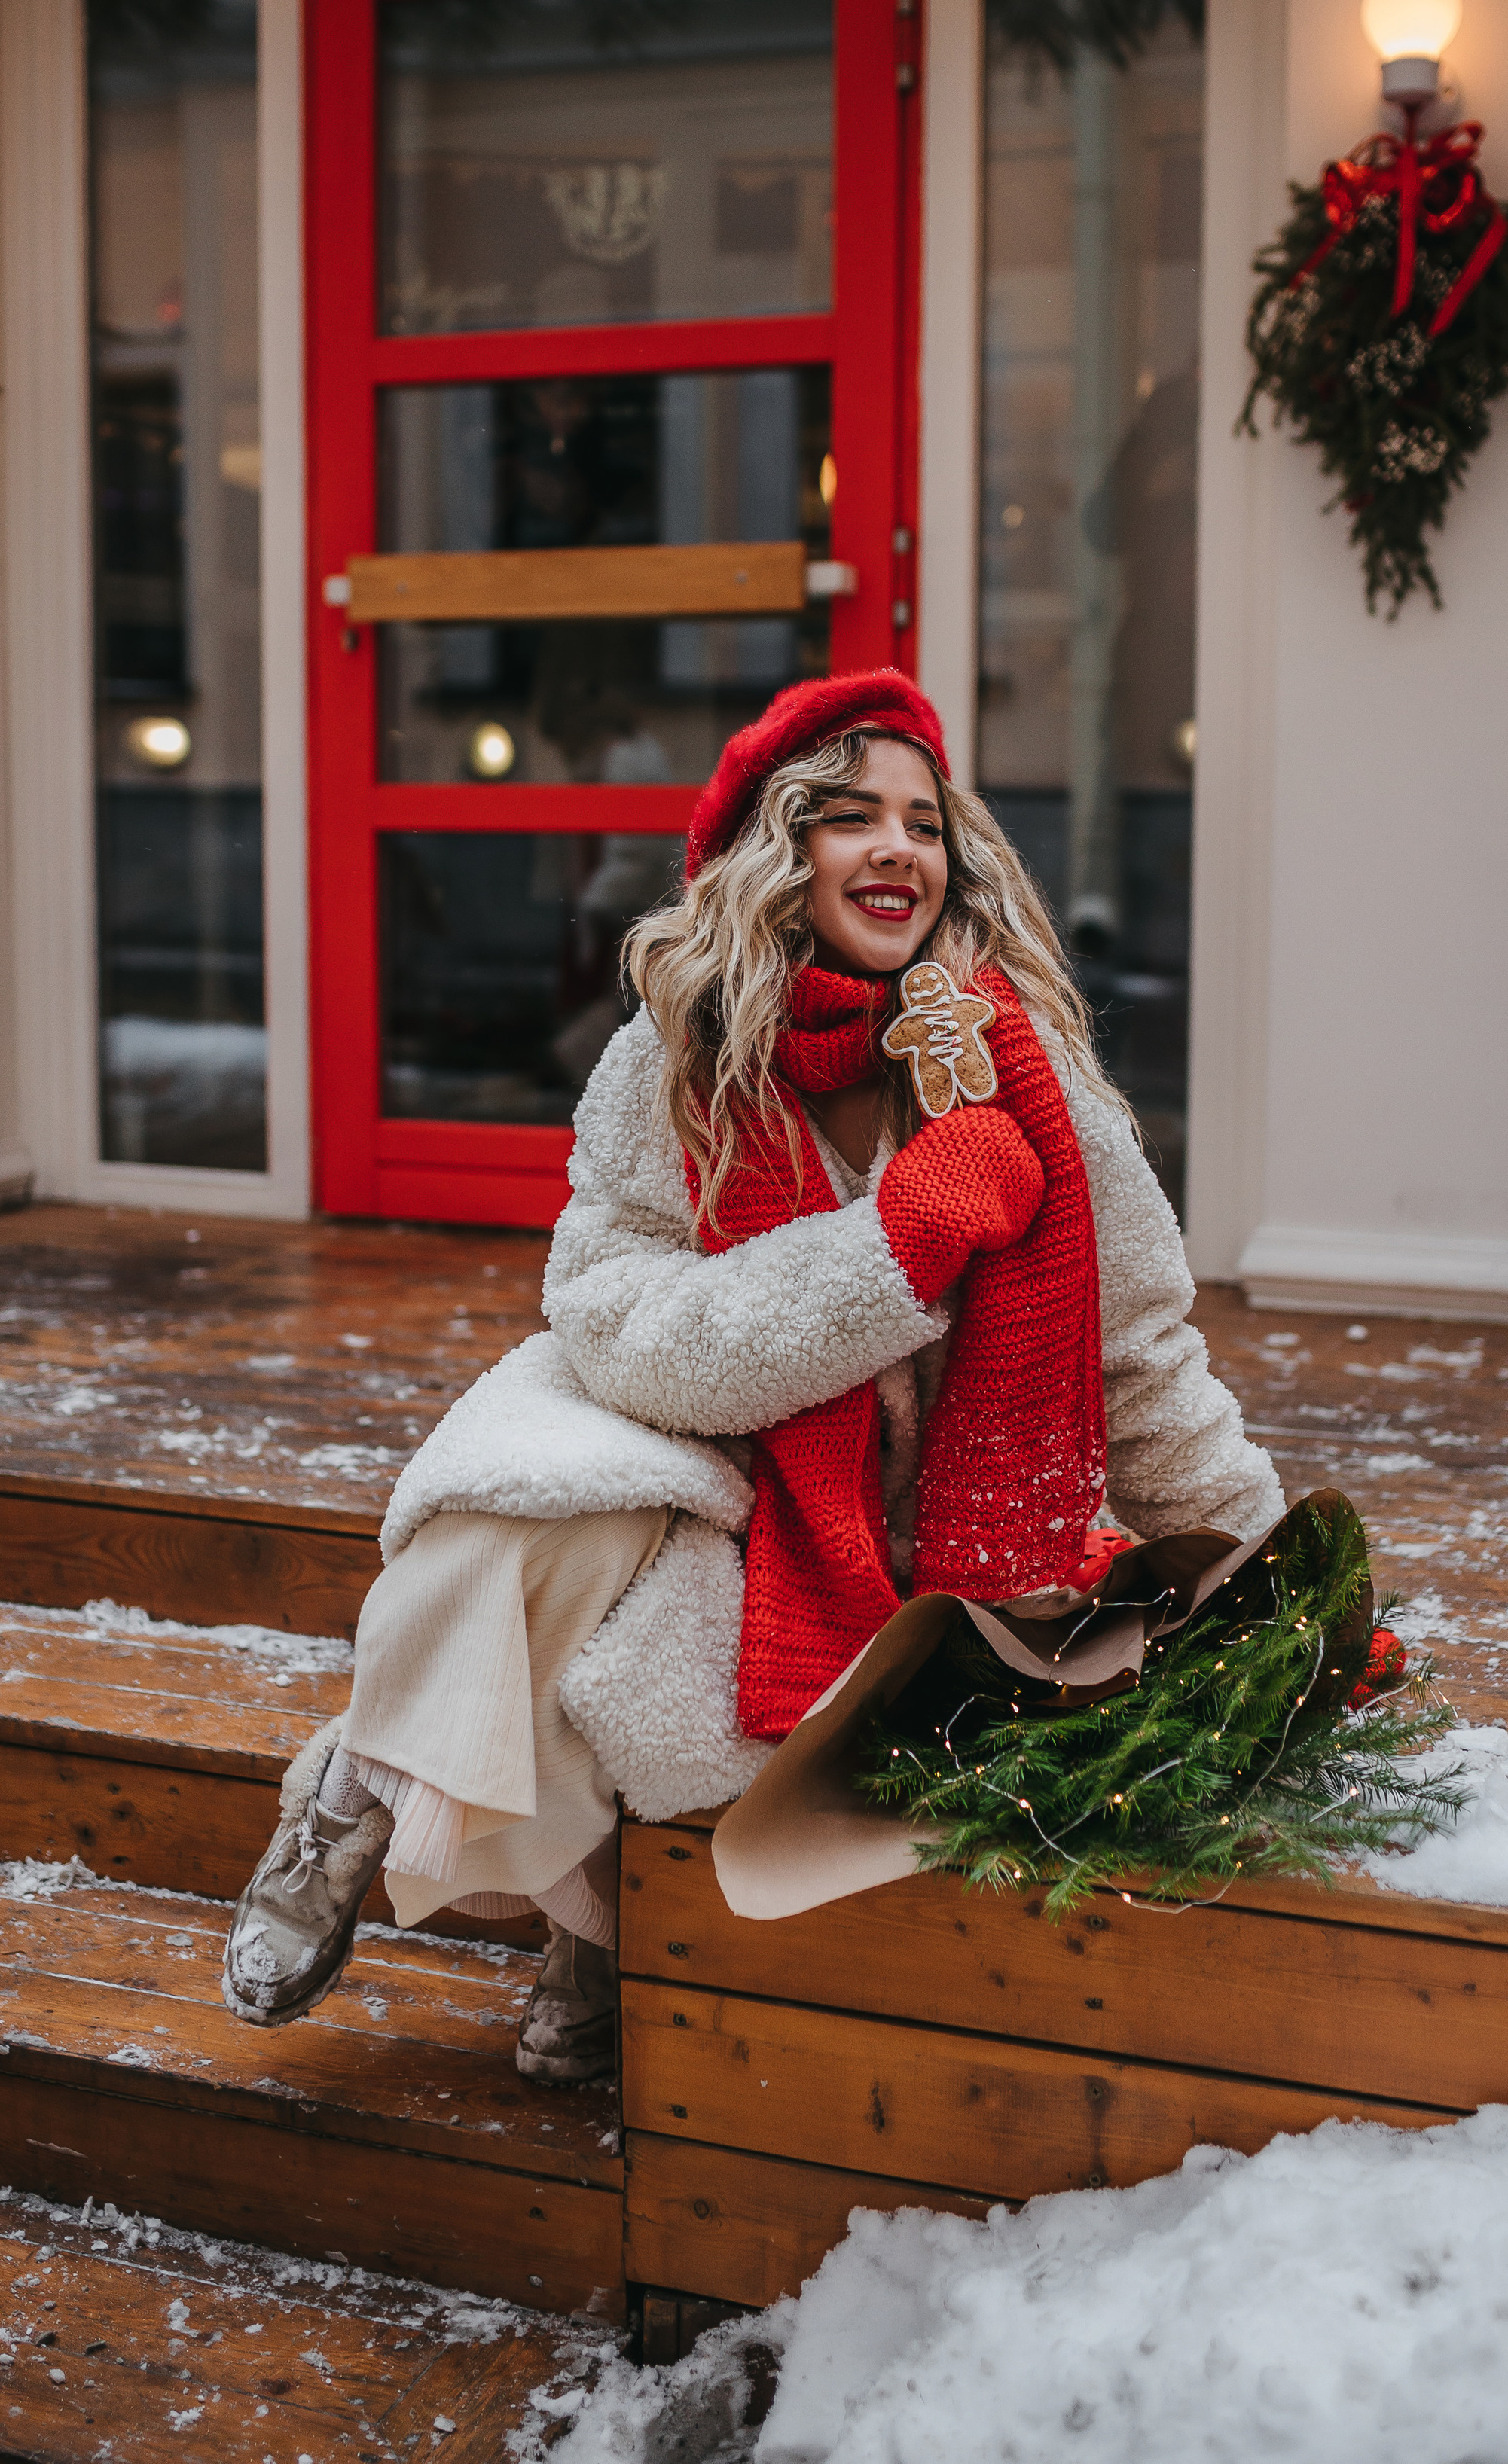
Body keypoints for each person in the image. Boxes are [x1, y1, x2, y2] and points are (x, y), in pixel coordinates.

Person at [221, 670, 1281, 2078]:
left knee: (609, 1639)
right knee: (519, 1511)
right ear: (777, 855)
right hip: (723, 1474)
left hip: (923, 1554)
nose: (897, 848)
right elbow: (615, 1325)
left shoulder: (1036, 1091)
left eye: (923, 820)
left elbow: (1141, 1366)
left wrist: (1272, 1582)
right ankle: (364, 1807)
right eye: (850, 818)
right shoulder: (669, 1068)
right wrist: (892, 1252)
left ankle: (587, 1922)